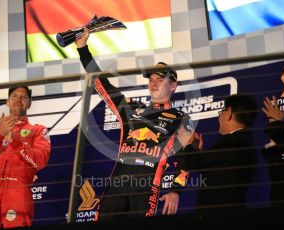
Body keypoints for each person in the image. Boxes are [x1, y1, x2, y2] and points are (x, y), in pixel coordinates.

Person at [75, 29, 195, 220]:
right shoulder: (131, 108)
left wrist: (176, 191)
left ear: (173, 86)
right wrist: (82, 48)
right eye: (151, 79)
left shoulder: (181, 118)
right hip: (118, 182)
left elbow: (186, 159)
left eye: (160, 79)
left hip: (147, 184)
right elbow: (100, 82)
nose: (153, 83)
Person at [0, 86, 51, 229]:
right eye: (14, 96)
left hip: (18, 193)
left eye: (23, 97)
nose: (18, 100)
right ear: (7, 101)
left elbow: (40, 162)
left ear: (29, 104)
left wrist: (15, 142)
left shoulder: (38, 130)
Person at [185, 94, 259, 218]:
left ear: (229, 112)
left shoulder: (232, 143)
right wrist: (197, 151)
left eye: (222, 111)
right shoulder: (244, 142)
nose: (219, 117)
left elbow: (193, 162)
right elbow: (212, 168)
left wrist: (188, 144)